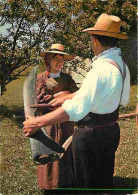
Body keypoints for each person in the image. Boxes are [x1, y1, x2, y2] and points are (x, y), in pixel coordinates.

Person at [23, 14, 130, 188]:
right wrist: (68, 96)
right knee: (103, 180)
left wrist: (37, 122)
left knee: (86, 183)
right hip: (110, 131)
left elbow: (72, 111)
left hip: (91, 134)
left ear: (95, 40)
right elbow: (120, 99)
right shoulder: (121, 66)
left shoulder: (100, 70)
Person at [35, 43, 78, 190]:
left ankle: (66, 181)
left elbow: (77, 94)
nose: (60, 62)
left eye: (62, 59)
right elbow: (41, 99)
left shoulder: (67, 77)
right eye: (56, 59)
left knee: (66, 146)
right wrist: (61, 96)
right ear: (48, 60)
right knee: (51, 148)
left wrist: (63, 97)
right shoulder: (41, 78)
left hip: (66, 119)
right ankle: (49, 184)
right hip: (50, 121)